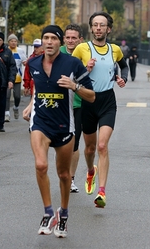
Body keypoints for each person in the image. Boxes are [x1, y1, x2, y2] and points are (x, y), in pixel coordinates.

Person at [22, 25, 95, 238]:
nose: (49, 42)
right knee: (41, 165)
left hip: (64, 125)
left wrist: (74, 86)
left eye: (53, 38)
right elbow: (39, 87)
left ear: (60, 42)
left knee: (63, 174)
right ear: (42, 41)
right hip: (40, 123)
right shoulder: (34, 63)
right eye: (45, 38)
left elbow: (91, 96)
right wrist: (30, 104)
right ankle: (47, 212)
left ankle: (63, 213)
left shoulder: (72, 63)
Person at [72, 11, 128, 208]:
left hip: (107, 101)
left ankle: (102, 192)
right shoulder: (81, 48)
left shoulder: (115, 49)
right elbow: (71, 75)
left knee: (102, 146)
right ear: (91, 28)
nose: (98, 28)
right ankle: (90, 171)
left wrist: (123, 78)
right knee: (90, 148)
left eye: (102, 25)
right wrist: (84, 70)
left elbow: (124, 65)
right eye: (95, 25)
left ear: (108, 29)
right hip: (87, 100)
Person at [60, 23, 84, 193]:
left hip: (79, 104)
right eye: (67, 37)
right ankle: (63, 175)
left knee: (74, 143)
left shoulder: (85, 54)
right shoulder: (57, 52)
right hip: (59, 103)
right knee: (61, 143)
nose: (70, 41)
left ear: (80, 39)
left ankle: (71, 178)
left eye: (74, 38)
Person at [5, 34, 27, 121]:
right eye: (11, 41)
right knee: (7, 95)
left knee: (17, 96)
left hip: (17, 77)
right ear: (8, 42)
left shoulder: (20, 51)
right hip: (7, 77)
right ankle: (7, 113)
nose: (13, 43)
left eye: (15, 41)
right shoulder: (6, 51)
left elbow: (25, 62)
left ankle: (16, 107)